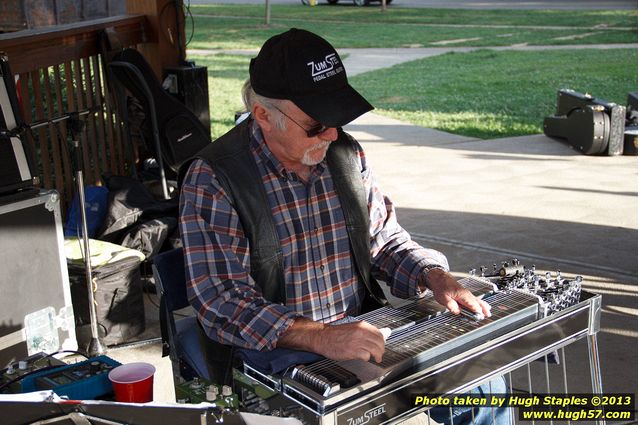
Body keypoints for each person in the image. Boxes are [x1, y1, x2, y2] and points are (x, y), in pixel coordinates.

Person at [179, 28, 510, 425]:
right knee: (369, 408)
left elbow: (384, 240)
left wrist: (433, 275)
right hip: (275, 352)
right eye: (316, 124)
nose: (333, 133)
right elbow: (222, 301)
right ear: (264, 115)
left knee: (484, 382)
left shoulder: (344, 154)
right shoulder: (215, 177)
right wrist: (320, 335)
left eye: (337, 118)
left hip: (362, 330)